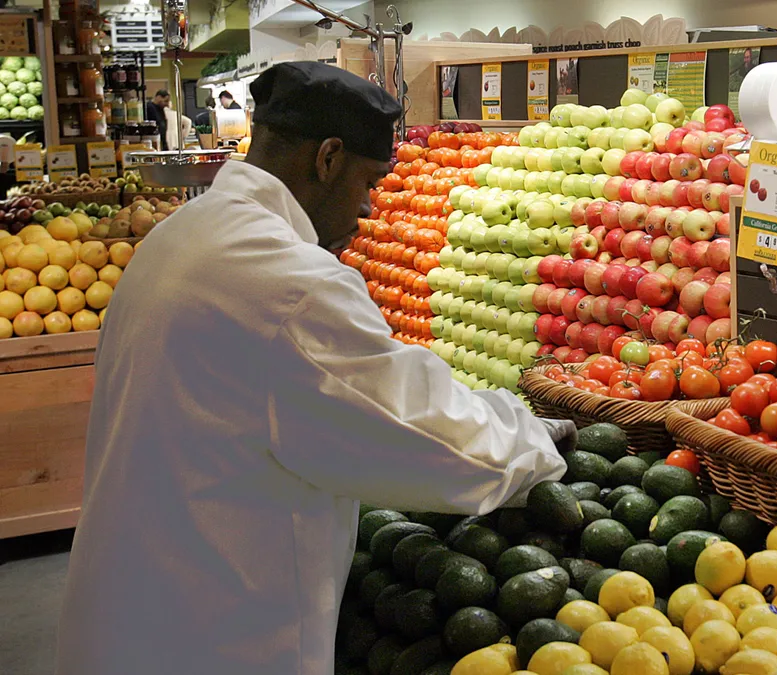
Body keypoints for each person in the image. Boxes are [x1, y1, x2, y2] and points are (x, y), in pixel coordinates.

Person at [55, 61, 571, 675]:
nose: (370, 202)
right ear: (327, 158)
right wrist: (531, 437)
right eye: (369, 179)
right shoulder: (293, 285)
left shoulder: (185, 233)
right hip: (220, 631)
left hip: (132, 604)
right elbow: (425, 435)